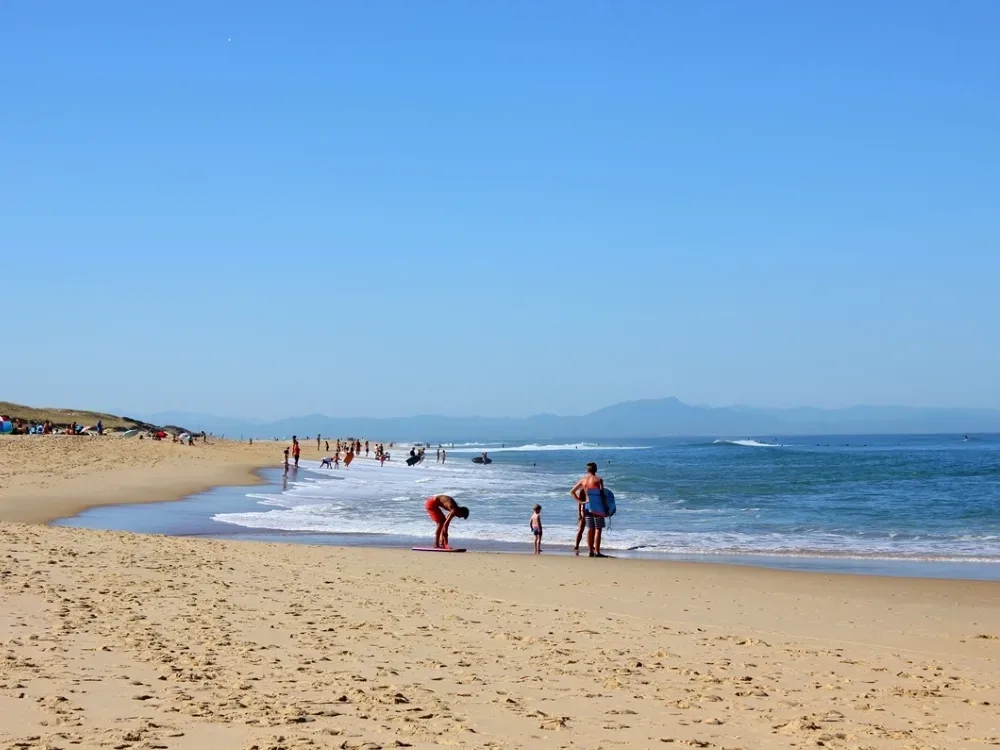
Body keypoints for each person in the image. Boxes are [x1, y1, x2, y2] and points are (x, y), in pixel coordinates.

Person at [570, 462, 607, 557]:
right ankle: (597, 552)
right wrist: (606, 507)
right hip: (597, 506)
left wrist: (581, 502)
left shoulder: (583, 480)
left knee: (590, 529)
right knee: (598, 529)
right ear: (596, 469)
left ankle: (591, 551)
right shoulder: (598, 480)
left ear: (587, 470)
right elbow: (602, 494)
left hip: (587, 506)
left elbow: (572, 491)